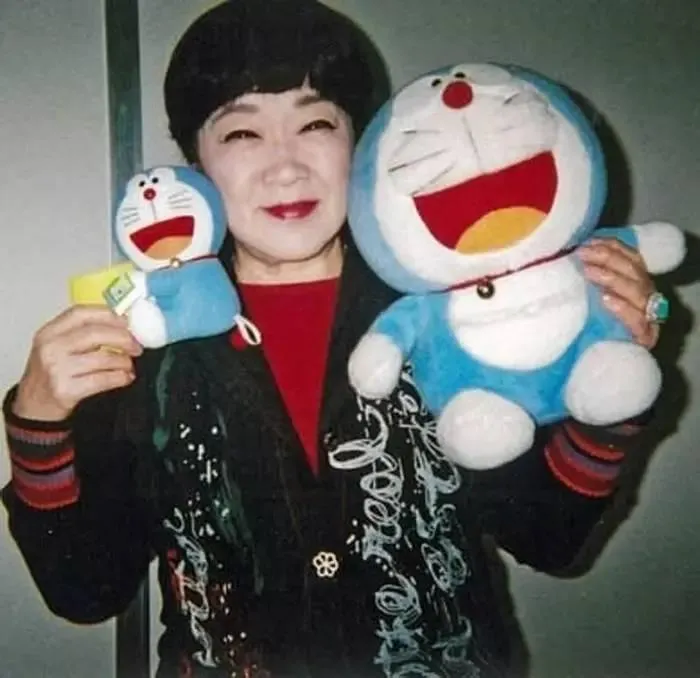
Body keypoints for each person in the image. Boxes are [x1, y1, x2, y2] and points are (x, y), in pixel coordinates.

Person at [2, 1, 666, 677]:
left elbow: (550, 539)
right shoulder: (144, 339)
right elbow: (85, 589)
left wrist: (611, 376)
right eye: (241, 133)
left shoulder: (451, 310)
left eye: (316, 123)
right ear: (194, 161)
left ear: (361, 142)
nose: (285, 167)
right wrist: (38, 421)